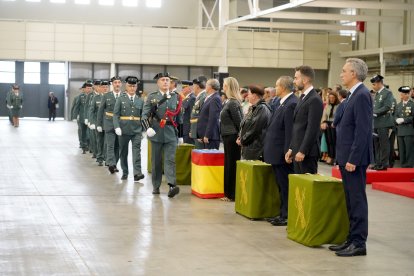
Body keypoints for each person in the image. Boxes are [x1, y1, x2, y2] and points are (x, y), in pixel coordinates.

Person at [329, 58, 373, 257]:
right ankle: (351, 237)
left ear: (354, 73)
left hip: (354, 159)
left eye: (344, 71)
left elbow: (363, 131)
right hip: (346, 157)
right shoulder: (352, 95)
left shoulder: (362, 95)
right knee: (349, 199)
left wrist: (353, 159)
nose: (341, 74)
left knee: (357, 200)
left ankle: (359, 243)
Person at [263, 76, 298, 226]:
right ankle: (281, 212)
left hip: (281, 153)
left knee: (284, 185)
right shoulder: (282, 103)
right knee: (280, 185)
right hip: (275, 151)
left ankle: (286, 215)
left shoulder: (291, 104)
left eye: (277, 86)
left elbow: (290, 131)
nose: (274, 89)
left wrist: (287, 151)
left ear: (283, 87)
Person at [142, 72, 182, 197]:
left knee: (170, 160)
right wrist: (147, 128)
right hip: (156, 133)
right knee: (156, 161)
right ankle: (156, 185)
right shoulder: (152, 97)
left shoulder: (176, 97)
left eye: (167, 80)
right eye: (163, 80)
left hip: (171, 133)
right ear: (158, 83)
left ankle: (171, 185)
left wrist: (180, 135)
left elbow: (179, 118)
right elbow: (144, 115)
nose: (165, 82)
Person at [285, 65, 323, 174]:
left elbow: (312, 128)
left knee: (307, 188)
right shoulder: (302, 97)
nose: (294, 81)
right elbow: (297, 126)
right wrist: (292, 148)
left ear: (305, 80)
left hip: (307, 153)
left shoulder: (314, 99)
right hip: (297, 150)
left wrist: (302, 150)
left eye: (296, 78)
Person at [113, 76, 145, 181]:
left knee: (137, 152)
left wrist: (144, 129)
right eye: (130, 86)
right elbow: (116, 115)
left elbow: (143, 116)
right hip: (123, 129)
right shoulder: (120, 99)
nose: (132, 88)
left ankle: (137, 173)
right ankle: (125, 172)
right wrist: (117, 127)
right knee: (123, 152)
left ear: (136, 87)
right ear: (126, 86)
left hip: (136, 130)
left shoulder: (140, 100)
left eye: (134, 86)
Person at [220, 77, 243, 202]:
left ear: (229, 87)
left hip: (232, 137)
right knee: (228, 165)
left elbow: (240, 122)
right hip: (227, 137)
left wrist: (240, 137)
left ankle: (231, 194)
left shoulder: (233, 103)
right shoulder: (228, 102)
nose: (223, 87)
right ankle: (228, 193)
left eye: (224, 85)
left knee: (232, 166)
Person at [236, 85, 271, 160]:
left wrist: (243, 140)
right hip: (249, 147)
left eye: (249, 94)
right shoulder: (254, 108)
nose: (247, 96)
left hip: (255, 149)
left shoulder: (262, 108)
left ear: (254, 96)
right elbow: (245, 125)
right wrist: (240, 136)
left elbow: (255, 129)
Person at [97, 76, 122, 173]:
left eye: (119, 82)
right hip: (109, 123)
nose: (117, 84)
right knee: (110, 145)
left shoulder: (124, 96)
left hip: (120, 124)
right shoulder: (106, 96)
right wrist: (99, 124)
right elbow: (100, 111)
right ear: (112, 84)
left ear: (121, 84)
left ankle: (115, 163)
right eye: (115, 82)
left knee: (118, 146)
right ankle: (111, 164)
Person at [371, 74, 395, 170]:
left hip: (384, 122)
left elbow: (387, 106)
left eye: (374, 84)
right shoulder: (377, 94)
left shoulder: (387, 93)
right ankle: (378, 162)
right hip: (376, 122)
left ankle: (384, 164)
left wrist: (375, 112)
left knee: (384, 144)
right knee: (376, 144)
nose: (373, 86)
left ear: (379, 83)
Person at [196, 79, 222, 150]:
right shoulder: (210, 97)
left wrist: (207, 135)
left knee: (211, 159)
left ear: (210, 87)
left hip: (211, 137)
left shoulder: (215, 98)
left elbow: (213, 118)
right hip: (205, 136)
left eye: (207, 84)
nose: (205, 86)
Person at [394, 86, 414, 168]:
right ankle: (403, 164)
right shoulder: (398, 105)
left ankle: (409, 165)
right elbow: (394, 115)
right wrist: (396, 119)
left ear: (407, 95)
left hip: (409, 130)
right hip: (400, 131)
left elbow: (413, 116)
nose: (401, 95)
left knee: (409, 149)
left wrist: (404, 120)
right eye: (401, 94)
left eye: (402, 94)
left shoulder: (412, 105)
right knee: (401, 150)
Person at [73, 80, 93, 154]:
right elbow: (76, 107)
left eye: (90, 88)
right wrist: (76, 116)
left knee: (90, 133)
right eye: (87, 88)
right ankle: (83, 146)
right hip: (82, 117)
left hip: (90, 118)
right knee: (83, 132)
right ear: (84, 89)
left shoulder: (93, 96)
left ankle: (90, 146)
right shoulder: (80, 97)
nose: (89, 89)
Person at [320, 91, 340, 165]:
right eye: (330, 98)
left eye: (333, 98)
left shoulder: (338, 106)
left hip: (335, 124)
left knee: (335, 142)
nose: (331, 99)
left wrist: (334, 123)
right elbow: (324, 115)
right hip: (328, 124)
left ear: (336, 98)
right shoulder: (327, 106)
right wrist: (323, 122)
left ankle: (335, 157)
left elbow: (338, 116)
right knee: (329, 141)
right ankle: (330, 156)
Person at [189, 76, 207, 149]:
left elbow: (203, 117)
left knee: (201, 156)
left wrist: (200, 133)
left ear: (197, 86)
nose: (192, 88)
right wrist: (192, 130)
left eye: (193, 86)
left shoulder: (203, 97)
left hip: (199, 133)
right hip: (196, 132)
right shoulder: (199, 97)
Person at [181, 80, 196, 144]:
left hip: (188, 129)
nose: (182, 89)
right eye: (182, 87)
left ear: (190, 88)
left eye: (184, 87)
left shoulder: (192, 98)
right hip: (184, 129)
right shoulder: (187, 98)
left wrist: (191, 130)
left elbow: (192, 115)